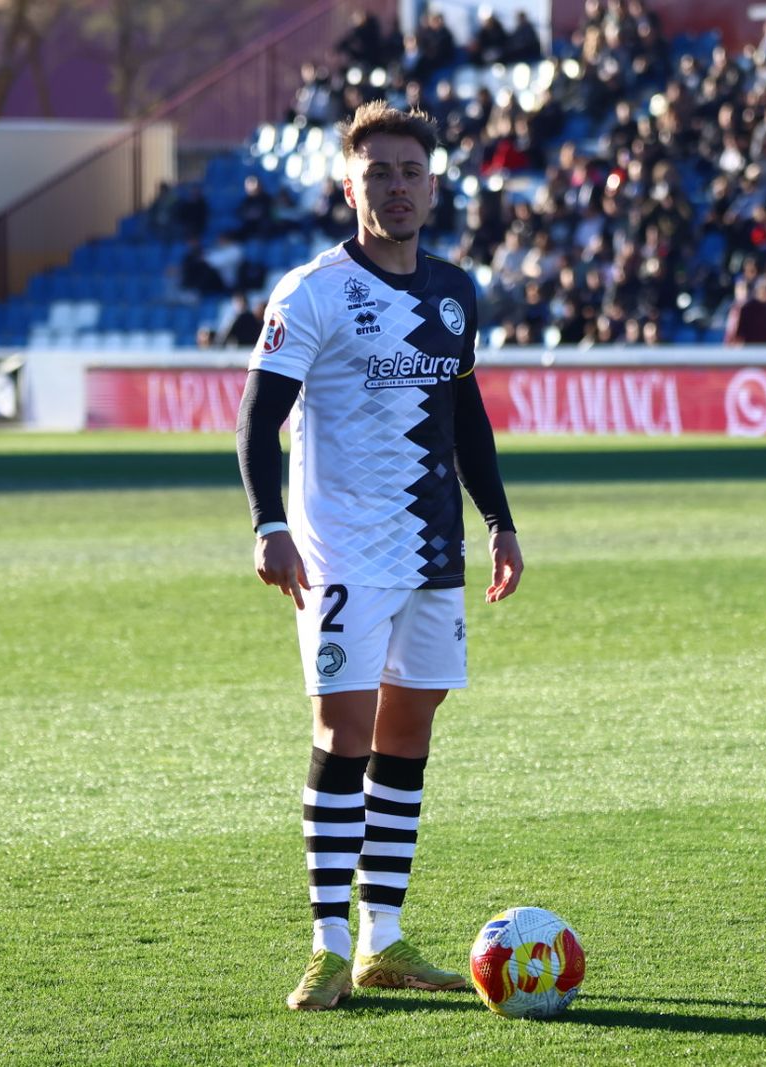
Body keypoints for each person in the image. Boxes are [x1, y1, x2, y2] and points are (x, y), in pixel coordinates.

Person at [235, 100, 522, 1012]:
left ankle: (382, 940)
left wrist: (499, 520)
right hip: (342, 554)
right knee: (342, 734)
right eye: (379, 173)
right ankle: (324, 944)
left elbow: (466, 413)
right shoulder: (312, 291)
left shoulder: (454, 289)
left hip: (432, 547)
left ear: (433, 187)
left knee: (409, 737)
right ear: (347, 185)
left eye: (411, 172)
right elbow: (256, 419)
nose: (396, 187)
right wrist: (266, 523)